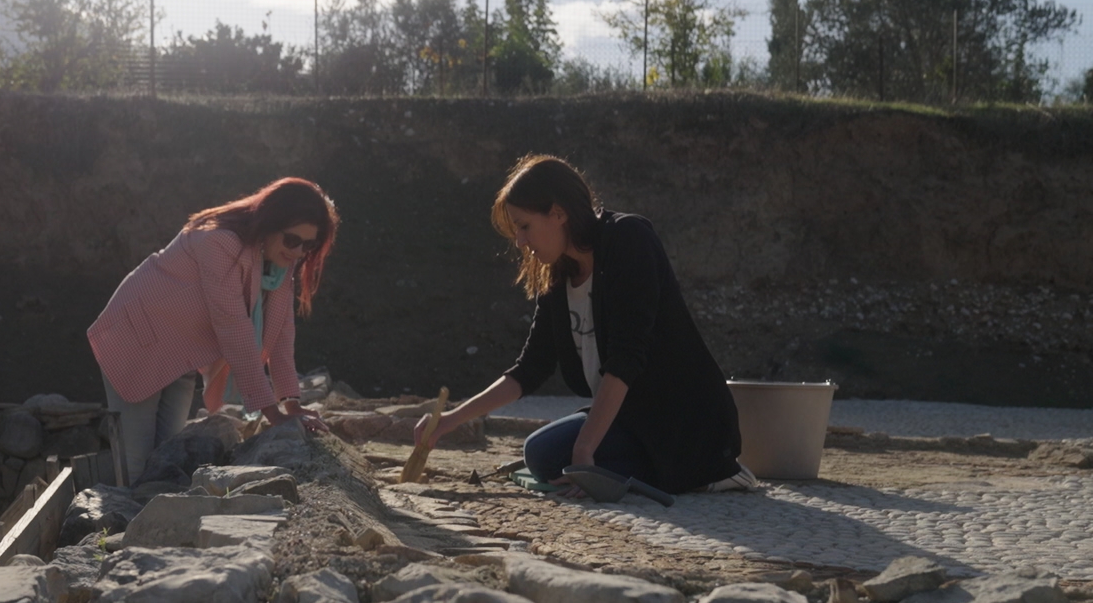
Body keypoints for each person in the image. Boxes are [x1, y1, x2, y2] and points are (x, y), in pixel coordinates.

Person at [415, 154, 753, 496]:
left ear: (558, 213)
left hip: (683, 421)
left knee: (560, 456)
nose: (520, 241)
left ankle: (712, 469)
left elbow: (626, 357)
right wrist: (449, 421)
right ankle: (661, 472)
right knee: (542, 454)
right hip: (630, 420)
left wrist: (584, 450)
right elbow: (530, 367)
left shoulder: (629, 239)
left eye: (524, 226)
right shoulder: (559, 275)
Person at [88, 177, 338, 481]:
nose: (298, 251)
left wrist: (292, 403)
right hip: (136, 340)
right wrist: (272, 413)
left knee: (168, 454)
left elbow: (282, 335)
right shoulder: (219, 241)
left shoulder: (278, 267)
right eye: (291, 240)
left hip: (182, 356)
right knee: (136, 461)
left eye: (308, 245)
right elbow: (233, 326)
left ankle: (151, 520)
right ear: (271, 223)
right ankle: (118, 522)